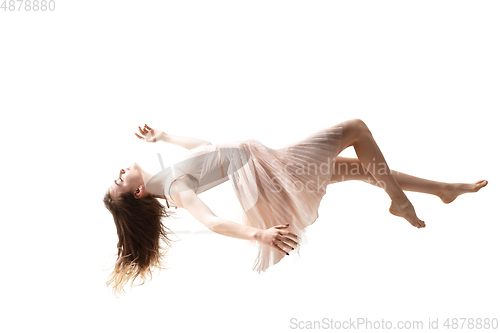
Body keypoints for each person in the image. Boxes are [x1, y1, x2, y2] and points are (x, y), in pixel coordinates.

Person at [103, 120, 488, 295]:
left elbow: (207, 149)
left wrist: (165, 135)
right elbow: (213, 221)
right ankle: (399, 201)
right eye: (120, 181)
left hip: (269, 164)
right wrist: (258, 233)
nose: (121, 172)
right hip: (273, 171)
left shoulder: (166, 175)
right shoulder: (173, 186)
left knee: (357, 168)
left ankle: (443, 189)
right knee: (355, 129)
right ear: (137, 195)